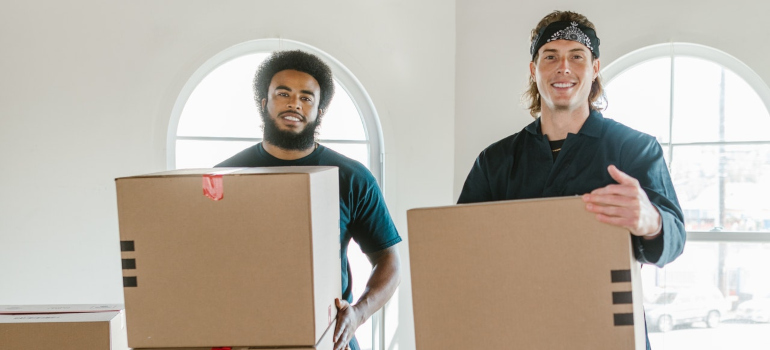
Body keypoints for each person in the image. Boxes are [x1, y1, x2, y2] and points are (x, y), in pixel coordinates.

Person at [457, 10, 686, 349]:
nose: (563, 67)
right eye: (550, 56)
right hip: (519, 332)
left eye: (576, 56)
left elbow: (675, 239)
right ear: (534, 71)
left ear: (594, 69)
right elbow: (460, 247)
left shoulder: (634, 149)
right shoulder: (495, 161)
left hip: (607, 334)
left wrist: (651, 220)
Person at [217, 50, 401, 350]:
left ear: (318, 111)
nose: (294, 103)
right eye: (283, 93)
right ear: (264, 103)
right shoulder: (225, 176)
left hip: (328, 337)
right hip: (248, 336)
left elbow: (389, 260)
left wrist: (358, 314)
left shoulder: (351, 177)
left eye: (306, 97)